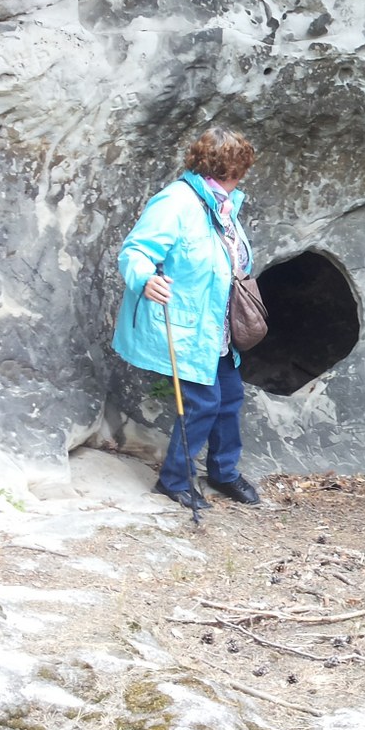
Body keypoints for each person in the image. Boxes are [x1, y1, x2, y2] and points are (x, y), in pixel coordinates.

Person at [112, 128, 262, 509]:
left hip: (217, 327)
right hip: (186, 328)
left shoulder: (223, 204)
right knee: (203, 403)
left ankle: (223, 473)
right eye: (240, 168)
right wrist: (146, 279)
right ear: (231, 168)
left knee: (229, 398)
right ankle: (175, 480)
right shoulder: (175, 202)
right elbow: (136, 251)